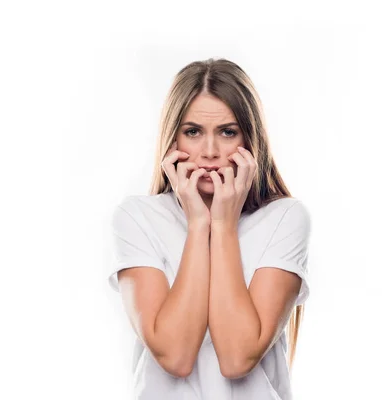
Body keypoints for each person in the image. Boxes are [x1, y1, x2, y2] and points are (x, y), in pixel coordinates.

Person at [108, 58, 312, 399]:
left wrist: (223, 224)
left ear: (250, 140)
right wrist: (199, 223)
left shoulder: (285, 218)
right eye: (193, 132)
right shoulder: (137, 217)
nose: (210, 152)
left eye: (227, 132)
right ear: (172, 140)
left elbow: (236, 357)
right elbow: (175, 355)